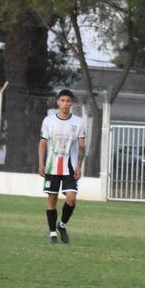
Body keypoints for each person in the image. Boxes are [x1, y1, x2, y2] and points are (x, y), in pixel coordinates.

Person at [38, 89, 86, 244]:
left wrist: (79, 165)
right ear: (57, 102)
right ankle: (52, 233)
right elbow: (43, 142)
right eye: (62, 101)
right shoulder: (48, 120)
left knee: (71, 198)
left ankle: (62, 225)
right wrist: (41, 163)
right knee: (52, 198)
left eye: (68, 101)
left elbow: (82, 146)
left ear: (71, 103)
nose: (65, 104)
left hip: (70, 167)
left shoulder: (78, 122)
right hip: (52, 167)